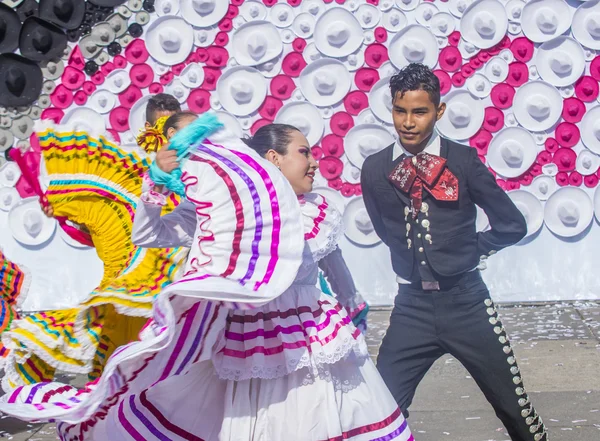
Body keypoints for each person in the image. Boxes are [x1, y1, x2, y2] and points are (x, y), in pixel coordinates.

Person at [0, 119, 413, 441]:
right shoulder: (224, 211)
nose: (313, 161)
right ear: (273, 158)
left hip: (315, 335)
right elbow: (148, 235)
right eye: (304, 152)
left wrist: (354, 311)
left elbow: (336, 269)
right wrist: (156, 184)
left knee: (330, 416)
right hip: (254, 339)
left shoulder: (319, 209)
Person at [360, 63, 546, 441]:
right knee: (381, 411)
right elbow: (384, 227)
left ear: (439, 111)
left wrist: (469, 251)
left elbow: (513, 225)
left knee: (514, 408)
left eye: (419, 111)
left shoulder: (462, 161)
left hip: (468, 304)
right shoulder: (375, 168)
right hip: (411, 307)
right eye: (400, 110)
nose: (408, 122)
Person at [0, 95, 183, 391]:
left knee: (157, 339)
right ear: (148, 127)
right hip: (125, 270)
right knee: (114, 327)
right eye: (165, 127)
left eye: (177, 129)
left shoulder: (186, 171)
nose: (171, 136)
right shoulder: (124, 170)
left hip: (165, 272)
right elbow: (97, 220)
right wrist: (68, 211)